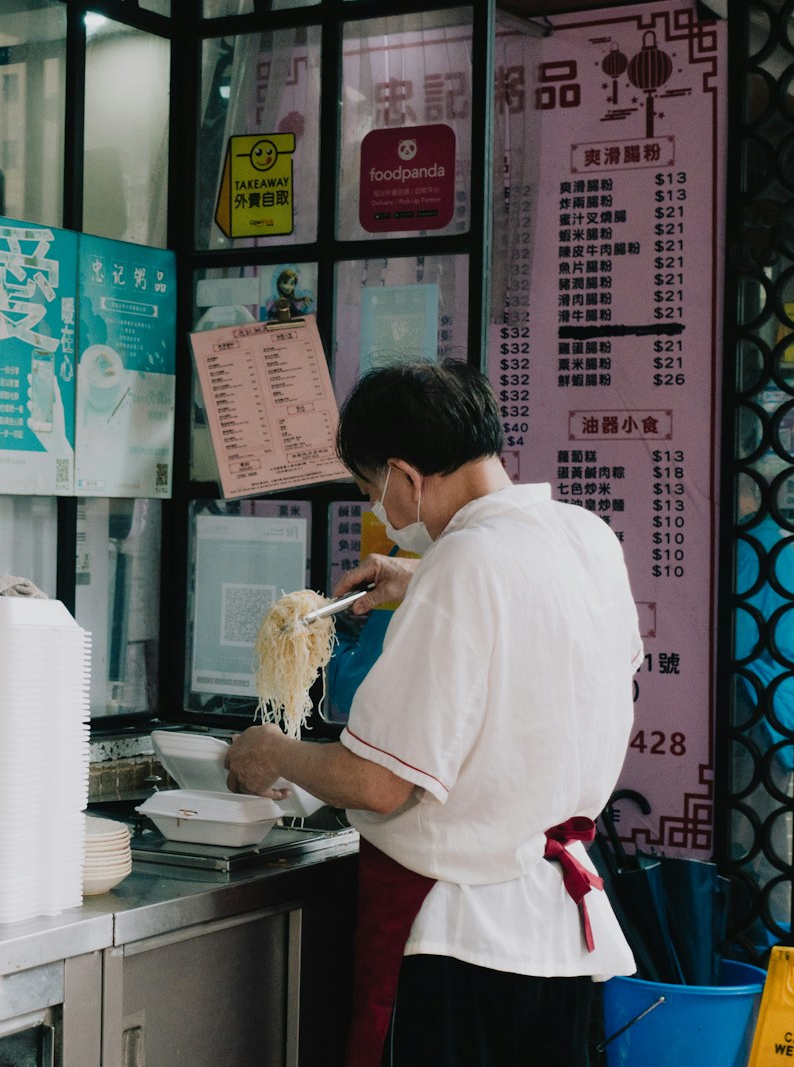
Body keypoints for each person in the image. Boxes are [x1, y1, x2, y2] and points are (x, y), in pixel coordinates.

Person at [225, 361, 642, 1067]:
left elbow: (382, 781)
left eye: (370, 490)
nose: (379, 510)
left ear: (404, 475)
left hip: (460, 934)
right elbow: (547, 630)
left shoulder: (463, 564)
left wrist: (272, 750)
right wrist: (416, 577)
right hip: (558, 934)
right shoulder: (584, 536)